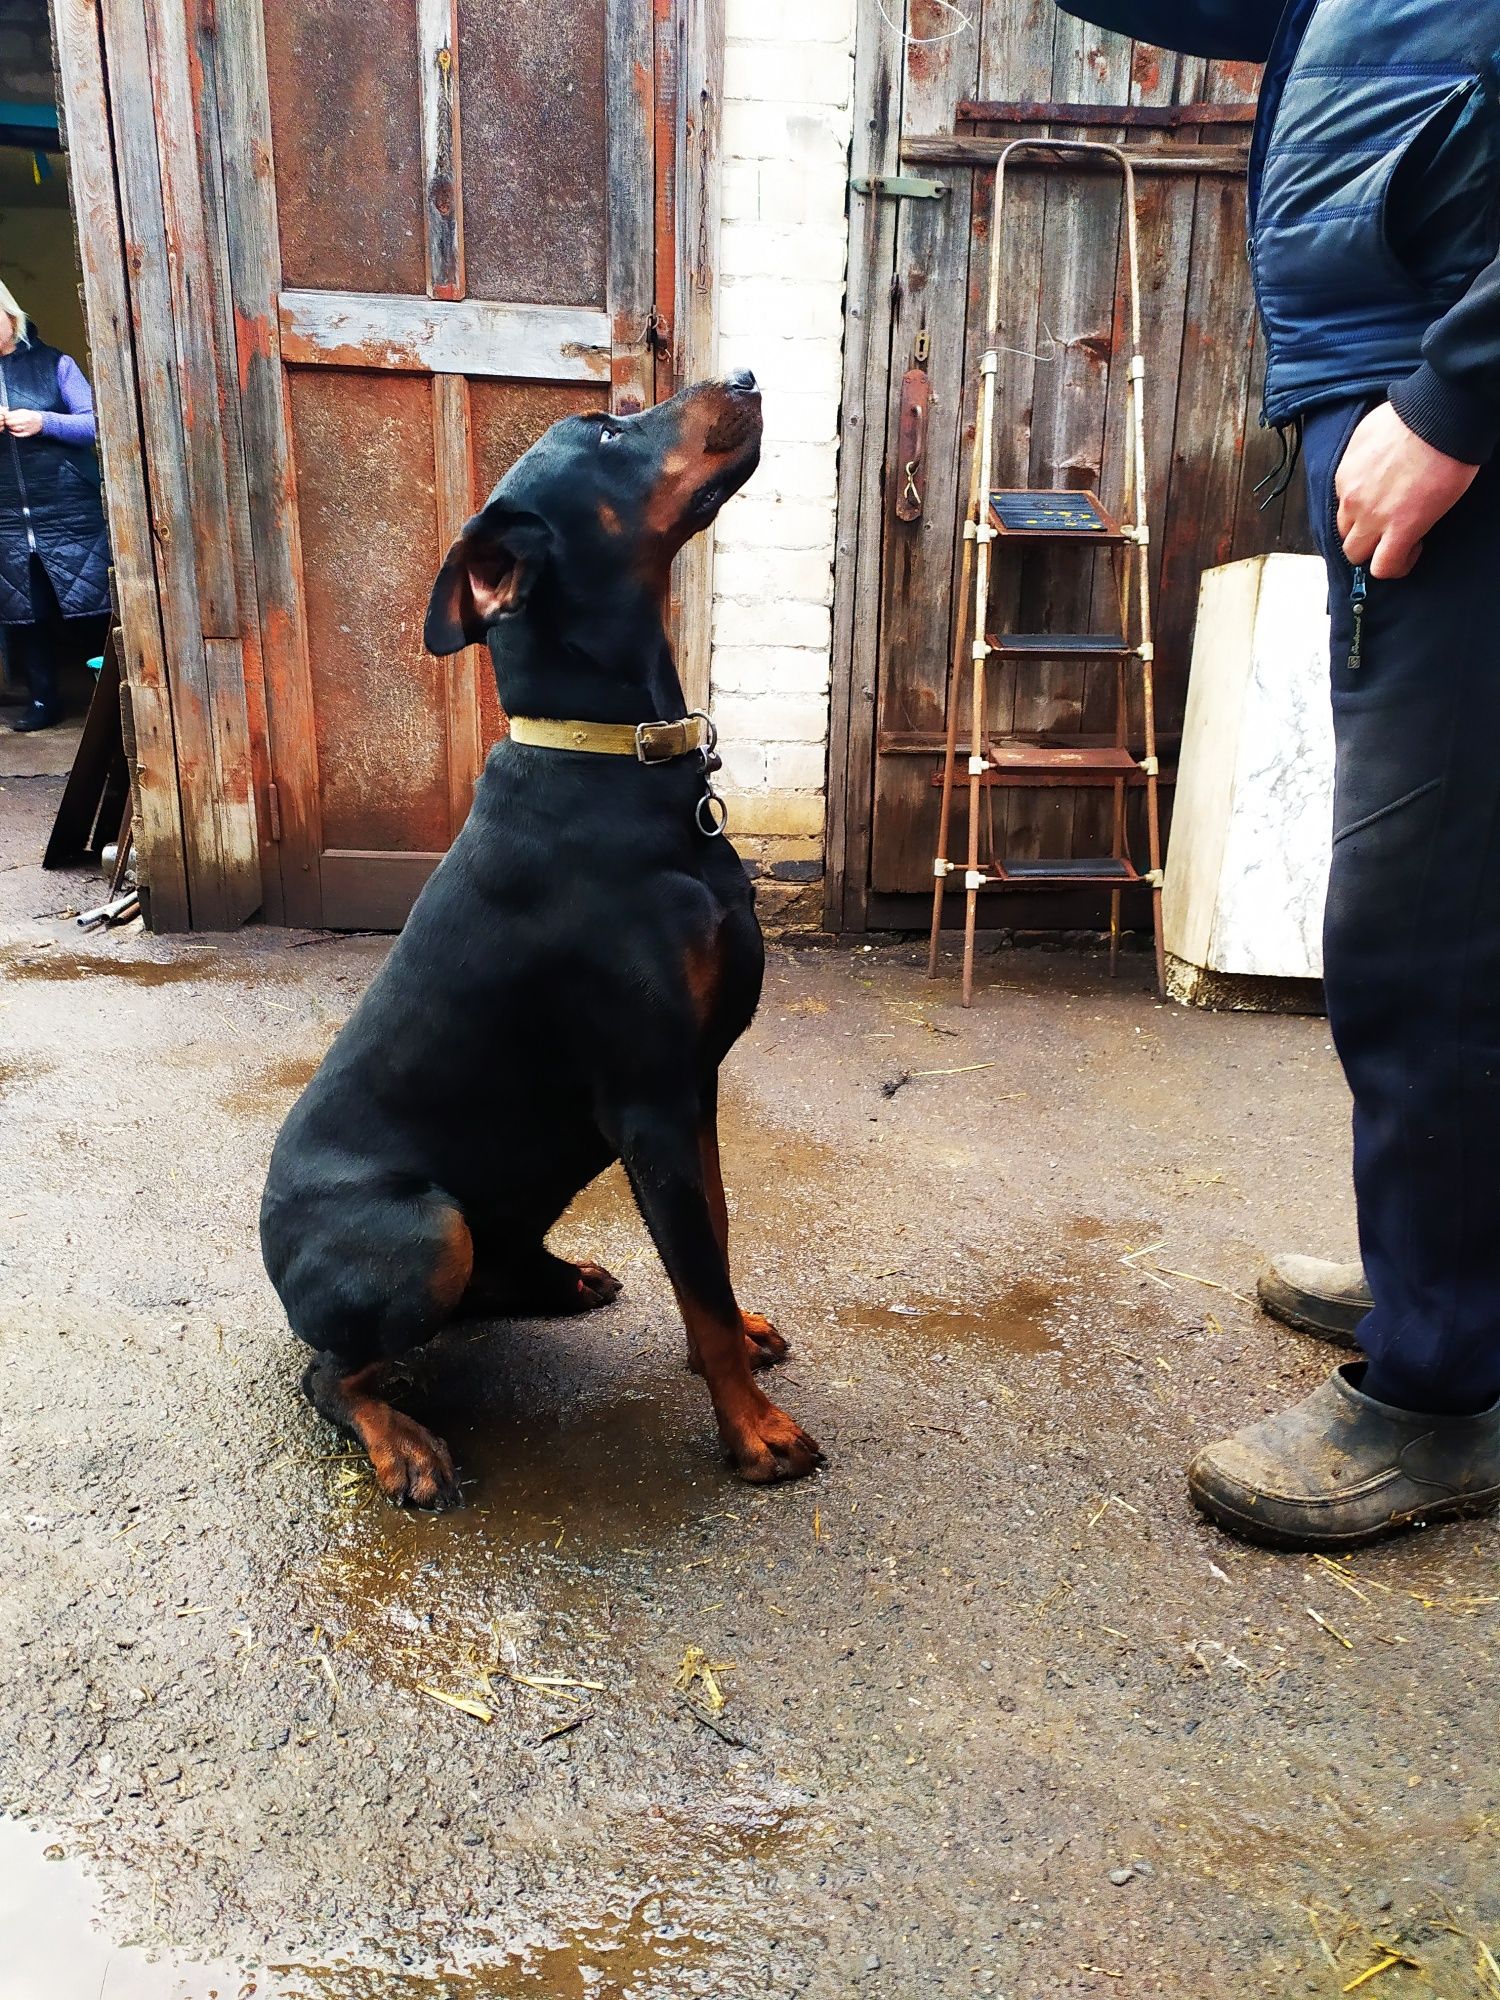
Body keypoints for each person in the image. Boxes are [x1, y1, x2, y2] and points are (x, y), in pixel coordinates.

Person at [1057, 0, 1500, 1548]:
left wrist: (1459, 392)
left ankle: (1442, 1390)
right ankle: (1454, 1277)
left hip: (1449, 406)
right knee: (1451, 899)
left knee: (1419, 927)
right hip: (1392, 398)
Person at [0, 279, 110, 732]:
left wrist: (44, 421)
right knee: (26, 612)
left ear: (11, 315)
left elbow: (94, 423)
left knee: (92, 608)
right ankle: (44, 700)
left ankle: (110, 699)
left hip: (68, 510)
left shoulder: (54, 364)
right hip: (6, 517)